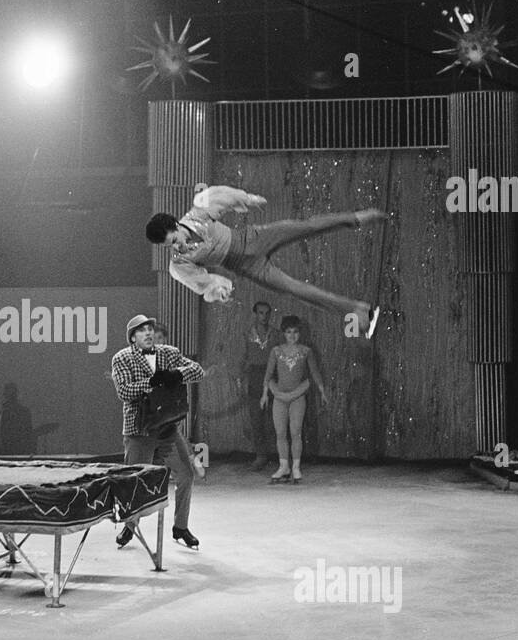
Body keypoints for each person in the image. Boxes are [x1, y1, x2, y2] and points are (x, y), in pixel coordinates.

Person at [145, 185, 388, 338]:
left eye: (174, 238)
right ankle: (358, 310)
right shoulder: (179, 264)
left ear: (175, 225)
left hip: (254, 237)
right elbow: (203, 283)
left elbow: (222, 196)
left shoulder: (197, 213)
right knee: (296, 289)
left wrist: (248, 199)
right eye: (170, 246)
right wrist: (218, 290)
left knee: (305, 227)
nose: (176, 246)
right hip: (247, 267)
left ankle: (358, 218)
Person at [110, 314, 205, 550]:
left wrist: (177, 374)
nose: (148, 333)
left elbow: (198, 371)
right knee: (135, 480)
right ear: (133, 337)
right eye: (142, 330)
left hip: (167, 427)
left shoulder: (169, 353)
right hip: (139, 429)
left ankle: (180, 527)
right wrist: (153, 382)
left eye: (150, 329)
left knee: (186, 474)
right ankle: (130, 526)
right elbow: (124, 391)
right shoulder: (122, 358)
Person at [260, 315, 329, 483]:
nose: (292, 335)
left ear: (300, 333)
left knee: (295, 431)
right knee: (280, 432)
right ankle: (284, 466)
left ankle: (296, 467)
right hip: (280, 396)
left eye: (295, 332)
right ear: (284, 333)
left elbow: (314, 372)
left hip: (298, 395)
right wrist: (264, 394)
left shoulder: (306, 351)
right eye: (289, 332)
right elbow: (268, 374)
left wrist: (322, 391)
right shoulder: (276, 351)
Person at [151, 323, 206, 479]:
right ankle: (185, 462)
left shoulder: (172, 356)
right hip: (158, 405)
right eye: (154, 338)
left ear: (166, 339)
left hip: (173, 404)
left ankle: (189, 461)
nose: (157, 341)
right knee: (168, 436)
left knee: (171, 434)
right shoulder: (148, 357)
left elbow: (191, 370)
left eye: (160, 337)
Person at [241, 301, 278, 469]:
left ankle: (279, 456)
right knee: (256, 420)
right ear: (255, 314)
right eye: (261, 313)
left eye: (267, 313)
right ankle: (260, 455)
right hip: (254, 376)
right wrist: (240, 380)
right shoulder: (247, 334)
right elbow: (242, 359)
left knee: (274, 418)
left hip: (273, 376)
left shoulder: (276, 334)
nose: (264, 317)